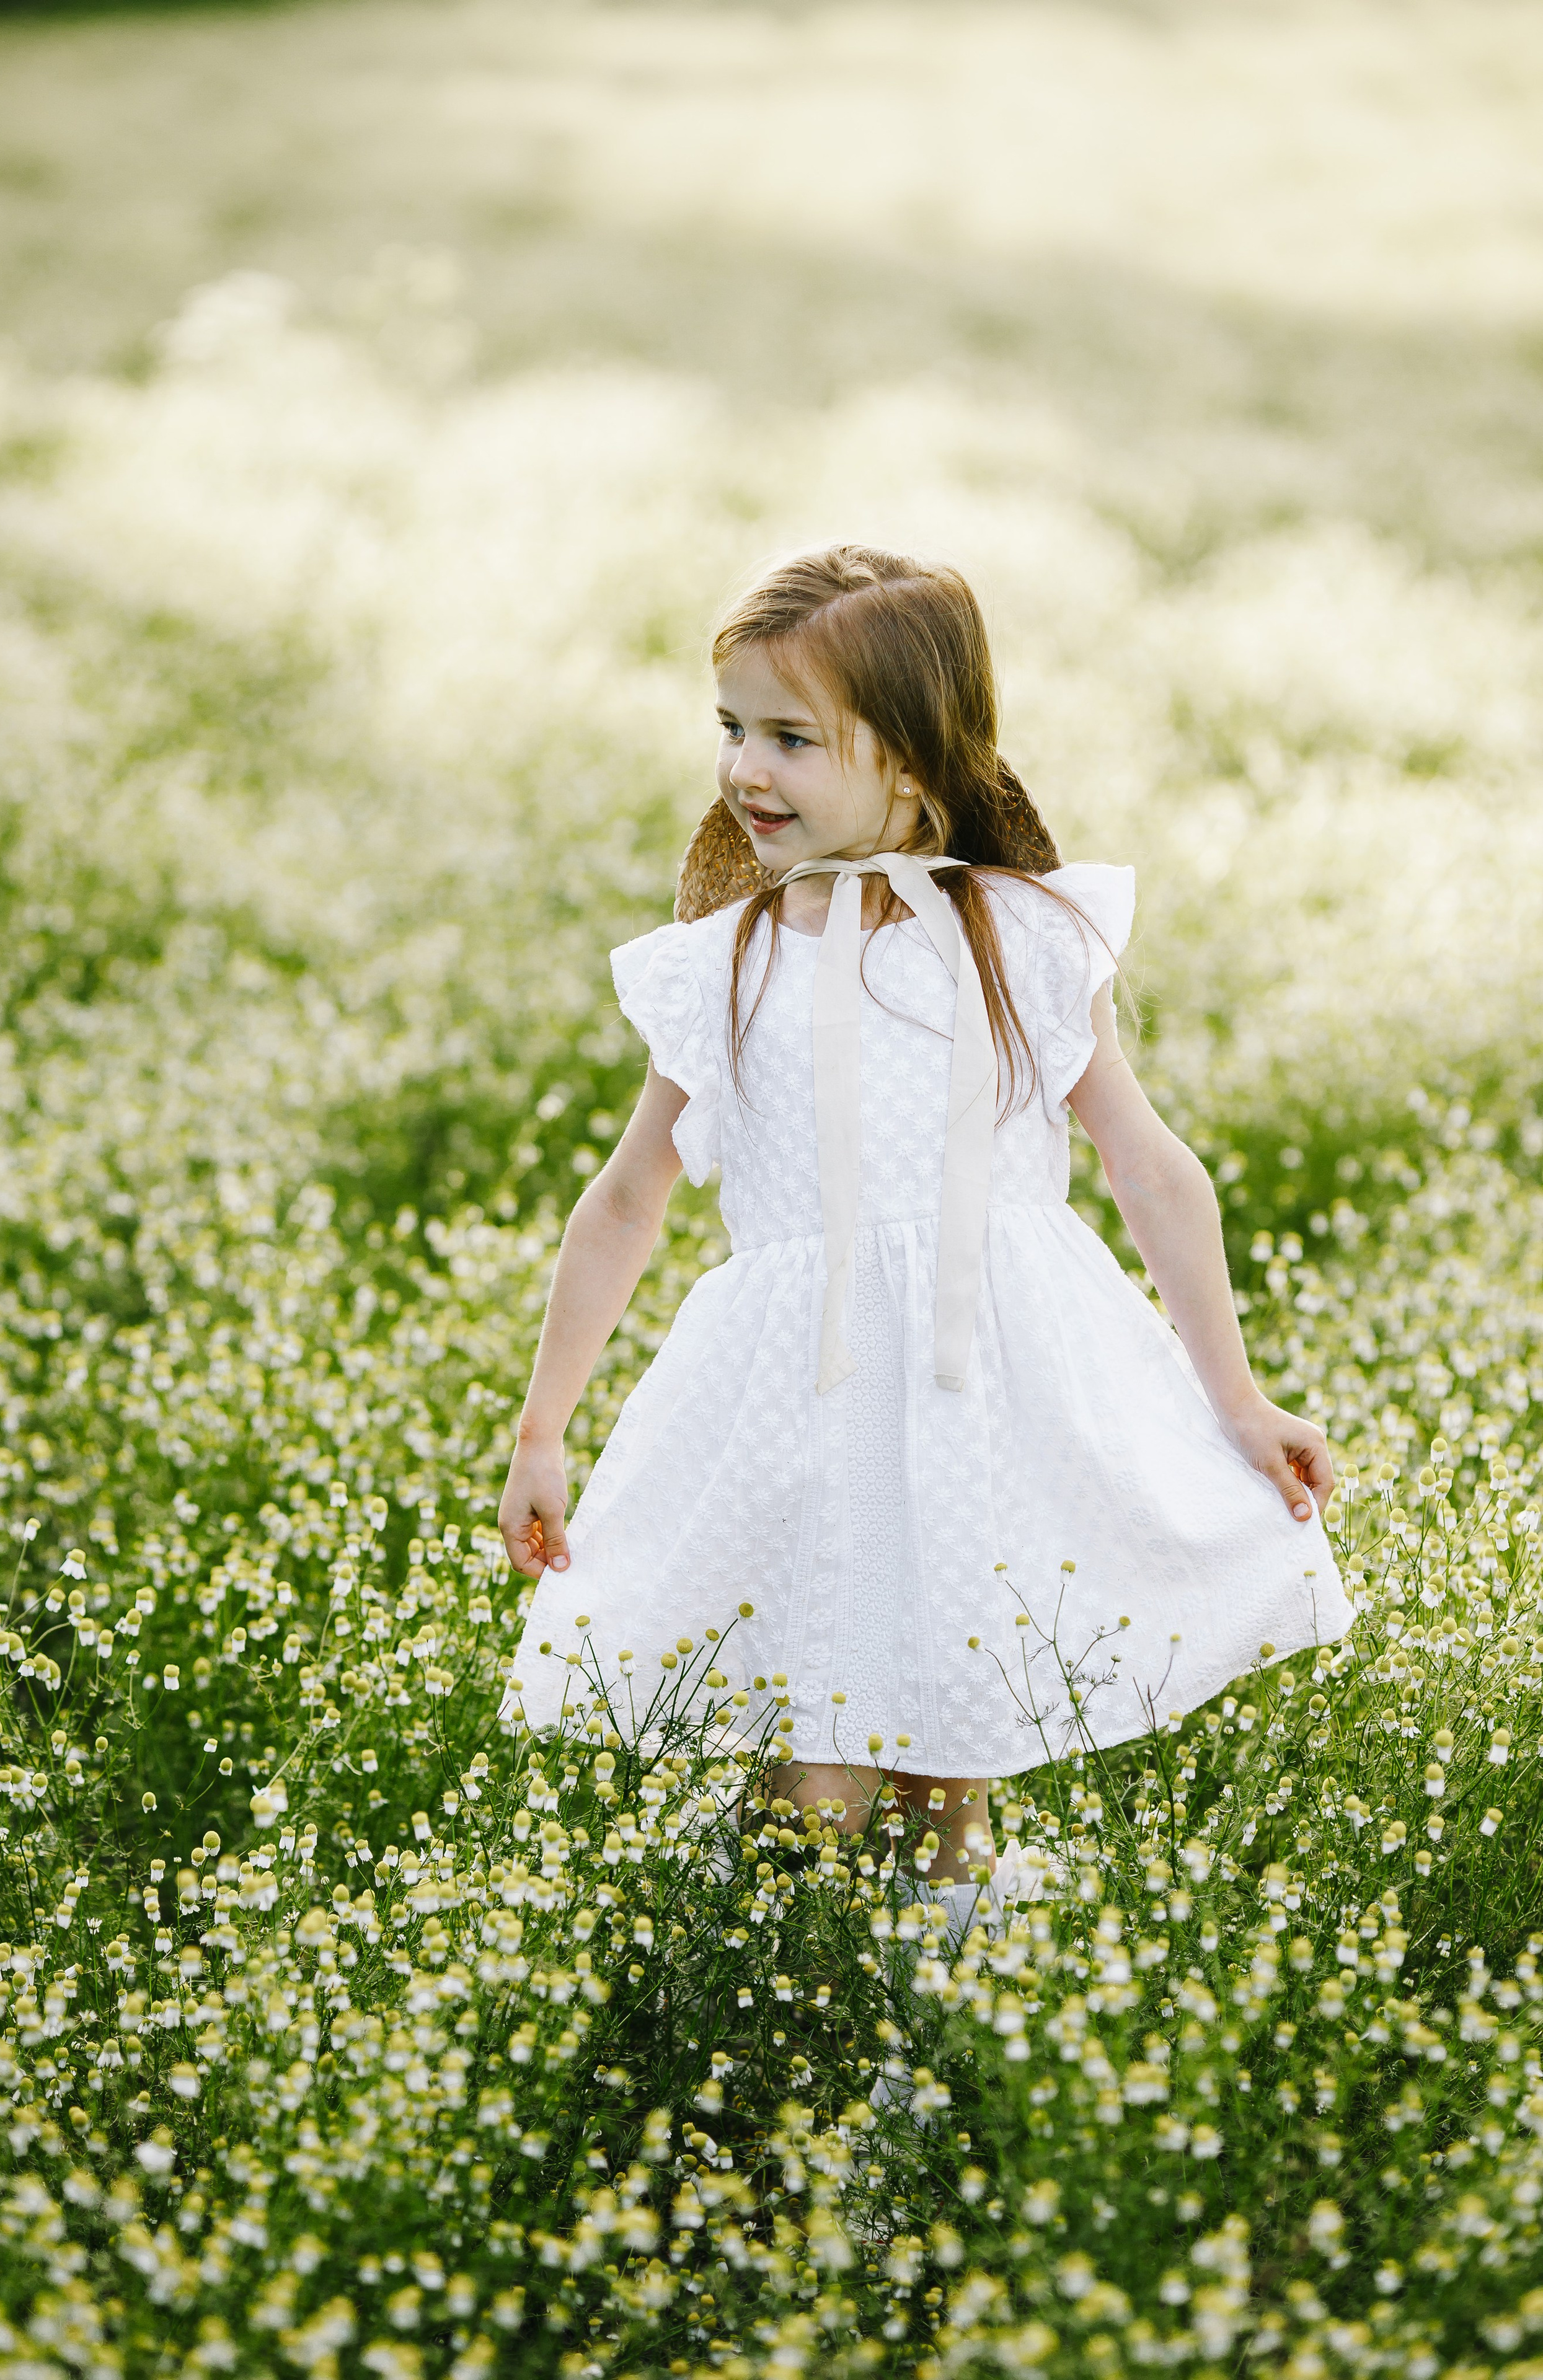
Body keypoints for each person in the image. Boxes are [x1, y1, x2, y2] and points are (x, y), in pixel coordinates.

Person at [497, 544, 1351, 1931]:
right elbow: (625, 1202)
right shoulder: (725, 962)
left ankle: (940, 1989)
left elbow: (1147, 1167)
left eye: (790, 738)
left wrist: (1237, 1400)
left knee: (949, 1743)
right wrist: (545, 1427)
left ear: (910, 760)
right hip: (803, 1396)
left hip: (986, 1392)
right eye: (730, 727)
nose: (743, 769)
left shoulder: (1021, 936)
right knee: (813, 1772)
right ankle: (762, 1976)